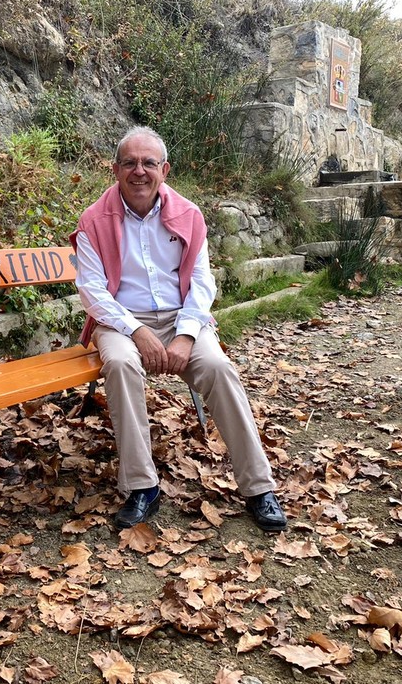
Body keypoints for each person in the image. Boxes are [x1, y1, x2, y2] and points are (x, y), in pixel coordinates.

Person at [70, 126, 287, 532]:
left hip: (180, 316)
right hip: (120, 320)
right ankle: (142, 487)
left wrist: (186, 335)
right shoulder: (93, 220)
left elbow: (202, 283)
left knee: (219, 368)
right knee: (120, 364)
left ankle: (259, 487)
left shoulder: (188, 214)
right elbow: (92, 292)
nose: (139, 171)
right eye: (129, 163)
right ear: (115, 170)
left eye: (148, 163)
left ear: (164, 170)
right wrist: (137, 332)